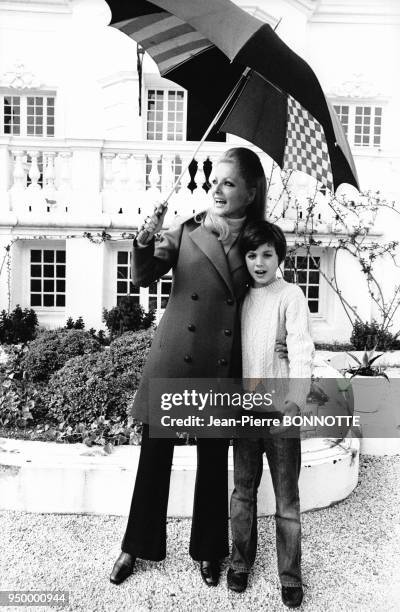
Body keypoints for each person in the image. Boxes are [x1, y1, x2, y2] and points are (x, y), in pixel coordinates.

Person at [110, 147, 269, 587]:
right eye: (214, 180)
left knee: (213, 459)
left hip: (220, 363)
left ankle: (208, 551)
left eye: (228, 183)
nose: (215, 189)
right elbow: (143, 278)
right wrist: (144, 239)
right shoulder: (188, 227)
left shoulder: (261, 242)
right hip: (175, 355)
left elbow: (266, 301)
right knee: (154, 456)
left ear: (251, 191)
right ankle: (134, 547)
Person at [226, 220, 314, 608]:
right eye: (251, 254)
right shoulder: (239, 297)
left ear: (279, 257)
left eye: (267, 255)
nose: (259, 262)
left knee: (287, 502)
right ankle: (240, 563)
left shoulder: (290, 295)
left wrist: (295, 399)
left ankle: (290, 575)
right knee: (242, 494)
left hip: (280, 414)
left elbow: (300, 348)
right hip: (246, 414)